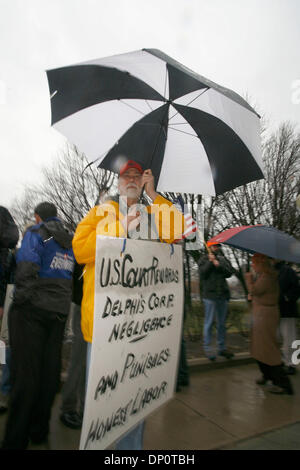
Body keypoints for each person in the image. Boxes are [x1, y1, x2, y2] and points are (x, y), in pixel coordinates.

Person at [72, 159, 187, 450]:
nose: (133, 179)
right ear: (118, 182)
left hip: (140, 329)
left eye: (138, 175)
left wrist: (154, 195)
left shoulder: (153, 211)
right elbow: (80, 250)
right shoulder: (101, 212)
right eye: (127, 176)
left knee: (133, 409)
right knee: (102, 411)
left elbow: (177, 233)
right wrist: (119, 226)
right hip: (102, 331)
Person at [1, 202, 75, 449]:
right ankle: (39, 430)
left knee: (25, 376)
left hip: (32, 313)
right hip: (58, 314)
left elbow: (26, 268)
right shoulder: (68, 240)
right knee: (48, 375)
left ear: (36, 217)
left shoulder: (38, 235)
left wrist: (22, 302)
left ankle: (15, 439)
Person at [245, 253, 293, 395]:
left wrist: (248, 280)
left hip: (266, 317)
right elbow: (258, 293)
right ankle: (267, 375)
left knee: (268, 348)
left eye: (254, 263)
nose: (253, 265)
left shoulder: (268, 277)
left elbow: (255, 290)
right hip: (261, 315)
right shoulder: (264, 276)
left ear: (261, 264)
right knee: (259, 347)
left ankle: (283, 383)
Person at [60, 262, 87, 429]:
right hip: (84, 304)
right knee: (79, 360)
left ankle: (86, 407)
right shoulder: (85, 238)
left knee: (89, 363)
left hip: (100, 305)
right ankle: (68, 407)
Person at [198, 244, 234, 361]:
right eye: (214, 246)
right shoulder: (203, 259)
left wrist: (218, 265)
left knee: (221, 324)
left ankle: (221, 348)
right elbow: (203, 273)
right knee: (208, 323)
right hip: (210, 295)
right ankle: (208, 350)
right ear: (209, 247)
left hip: (222, 295)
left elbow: (229, 272)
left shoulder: (223, 259)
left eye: (218, 246)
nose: (216, 248)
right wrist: (210, 262)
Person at [274, 260, 300, 375]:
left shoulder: (288, 271)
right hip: (275, 311)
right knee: (278, 338)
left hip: (287, 311)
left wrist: (287, 298)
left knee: (290, 339)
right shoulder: (270, 271)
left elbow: (296, 288)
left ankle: (292, 364)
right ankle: (283, 361)